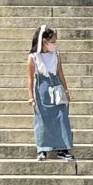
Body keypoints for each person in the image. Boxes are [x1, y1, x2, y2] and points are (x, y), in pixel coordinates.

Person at [27, 25, 75, 162]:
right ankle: (42, 148)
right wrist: (30, 96)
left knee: (62, 116)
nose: (54, 44)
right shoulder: (33, 57)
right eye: (52, 41)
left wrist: (66, 90)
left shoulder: (56, 55)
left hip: (56, 87)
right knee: (42, 118)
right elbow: (30, 78)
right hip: (42, 88)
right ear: (44, 41)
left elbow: (60, 73)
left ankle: (63, 148)